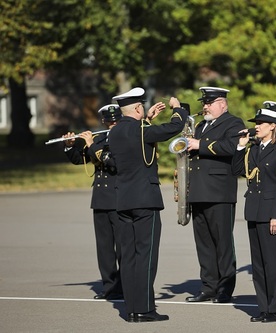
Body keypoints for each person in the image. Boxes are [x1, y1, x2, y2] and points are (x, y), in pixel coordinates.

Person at [108, 87, 188, 322]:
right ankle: (144, 309)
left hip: (123, 200)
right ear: (137, 108)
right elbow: (172, 128)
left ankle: (132, 309)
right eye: (142, 106)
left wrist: (147, 119)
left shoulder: (115, 132)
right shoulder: (141, 131)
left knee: (130, 257)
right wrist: (178, 109)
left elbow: (138, 139)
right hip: (145, 200)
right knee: (146, 256)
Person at [185, 87, 245, 304]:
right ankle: (208, 286)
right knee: (204, 244)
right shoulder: (201, 126)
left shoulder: (234, 123)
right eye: (204, 103)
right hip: (199, 190)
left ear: (222, 103)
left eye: (209, 102)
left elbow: (232, 146)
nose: (205, 106)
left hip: (220, 192)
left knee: (223, 243)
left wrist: (199, 144)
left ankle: (225, 289)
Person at [232, 107, 276, 323]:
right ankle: (264, 307)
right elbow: (237, 170)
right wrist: (240, 147)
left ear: (273, 126)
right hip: (254, 211)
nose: (256, 126)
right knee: (258, 265)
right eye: (256, 122)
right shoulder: (253, 149)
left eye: (261, 123)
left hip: (271, 214)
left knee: (273, 263)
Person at [62, 104, 123, 300]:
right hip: (101, 198)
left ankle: (126, 284)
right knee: (104, 247)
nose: (112, 124)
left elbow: (111, 160)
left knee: (123, 247)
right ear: (103, 122)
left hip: (120, 196)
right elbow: (80, 160)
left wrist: (90, 144)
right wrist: (71, 146)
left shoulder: (124, 138)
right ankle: (110, 286)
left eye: (116, 121)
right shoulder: (99, 138)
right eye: (109, 121)